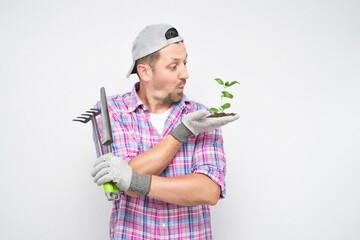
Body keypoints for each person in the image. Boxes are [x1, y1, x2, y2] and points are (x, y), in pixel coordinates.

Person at [91, 24, 239, 239]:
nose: (185, 73)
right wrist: (183, 132)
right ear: (144, 72)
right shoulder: (112, 111)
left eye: (185, 63)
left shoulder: (200, 116)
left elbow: (208, 191)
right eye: (173, 66)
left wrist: (135, 179)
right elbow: (127, 183)